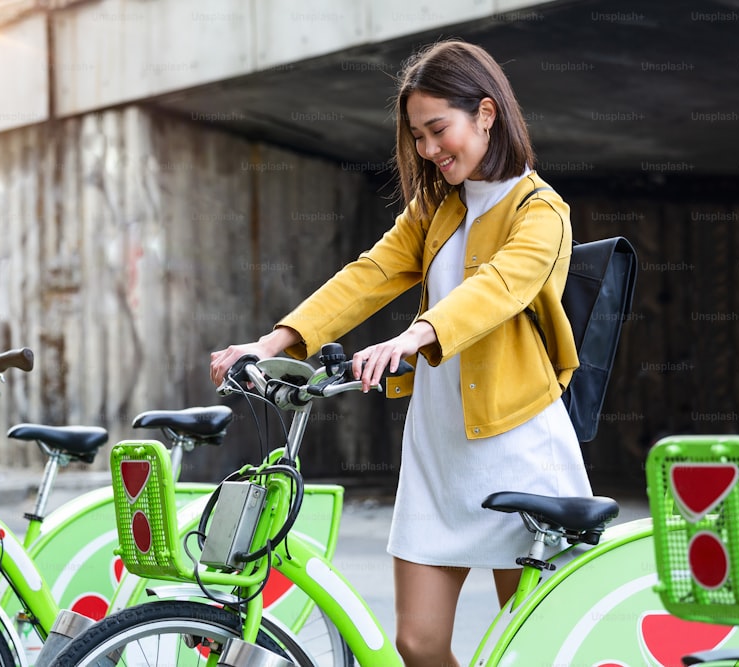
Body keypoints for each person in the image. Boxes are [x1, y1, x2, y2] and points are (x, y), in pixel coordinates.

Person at [209, 39, 592, 667]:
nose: (428, 150)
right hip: (437, 446)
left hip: (516, 447)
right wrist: (273, 341)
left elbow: (499, 288)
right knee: (416, 643)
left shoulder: (540, 210)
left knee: (523, 646)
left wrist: (416, 334)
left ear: (487, 114)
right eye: (417, 136)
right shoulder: (437, 208)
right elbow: (370, 273)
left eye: (438, 130)